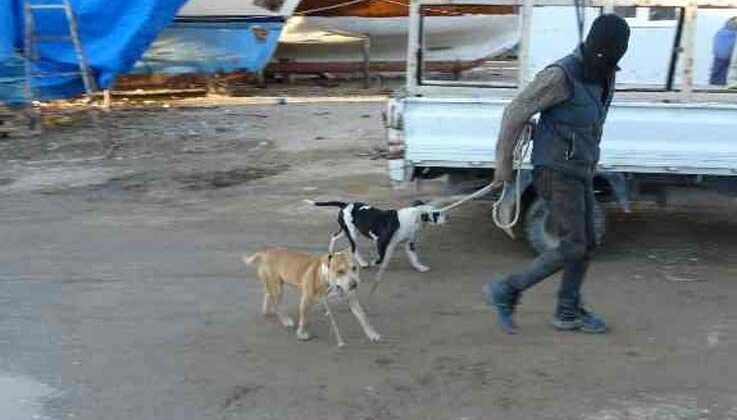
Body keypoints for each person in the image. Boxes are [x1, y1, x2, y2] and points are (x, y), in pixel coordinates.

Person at [482, 14, 630, 335]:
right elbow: (516, 111)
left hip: (580, 169)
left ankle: (567, 312)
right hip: (555, 171)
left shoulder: (605, 75)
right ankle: (507, 290)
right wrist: (503, 165)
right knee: (575, 244)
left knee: (587, 240)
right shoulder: (561, 75)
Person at [710, 17, 737, 86]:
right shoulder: (732, 32)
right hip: (729, 56)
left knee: (718, 72)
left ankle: (715, 84)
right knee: (727, 71)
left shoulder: (721, 31)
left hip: (719, 56)